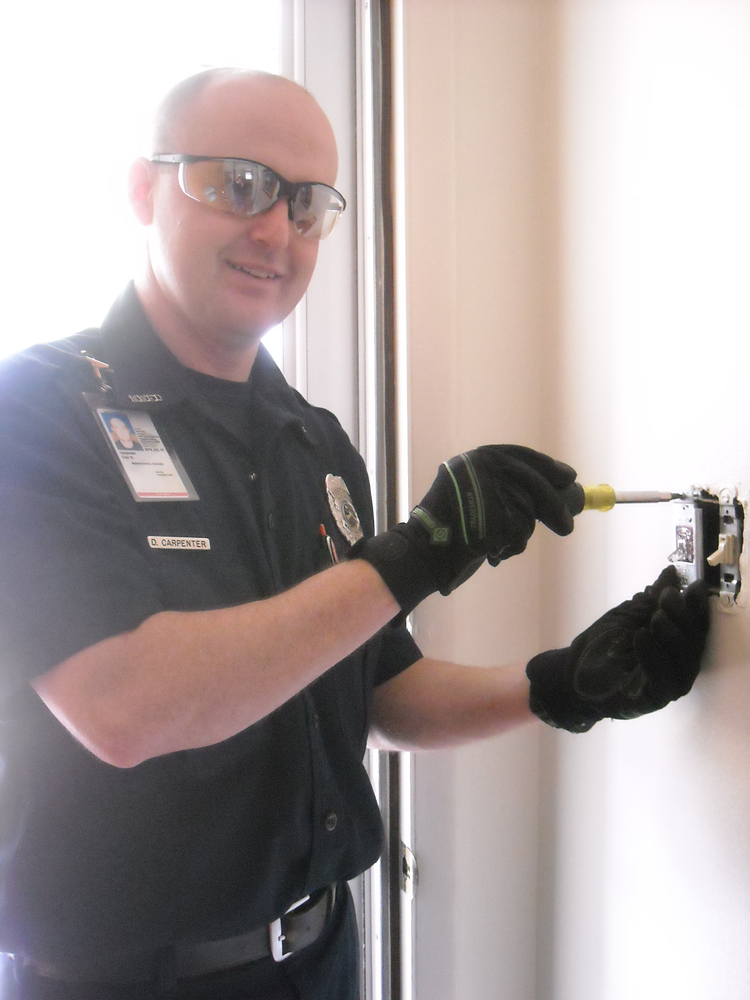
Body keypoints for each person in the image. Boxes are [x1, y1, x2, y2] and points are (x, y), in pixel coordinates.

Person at [0, 69, 709, 1000]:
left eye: (306, 205)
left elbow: (378, 690)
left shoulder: (316, 442)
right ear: (143, 188)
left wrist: (560, 684)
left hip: (323, 957)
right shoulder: (38, 413)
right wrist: (415, 554)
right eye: (237, 185)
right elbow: (125, 707)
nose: (274, 231)